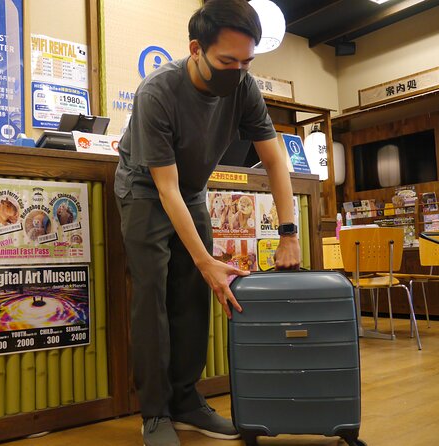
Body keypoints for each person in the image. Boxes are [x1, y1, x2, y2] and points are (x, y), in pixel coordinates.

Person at [114, 1, 301, 445]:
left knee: (194, 295)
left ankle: (187, 401)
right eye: (226, 61)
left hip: (192, 191)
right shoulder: (158, 91)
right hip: (144, 189)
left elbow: (274, 159)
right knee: (153, 296)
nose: (237, 71)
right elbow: (165, 189)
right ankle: (155, 414)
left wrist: (289, 233)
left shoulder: (244, 87)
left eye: (246, 62)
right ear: (195, 49)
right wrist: (206, 261)